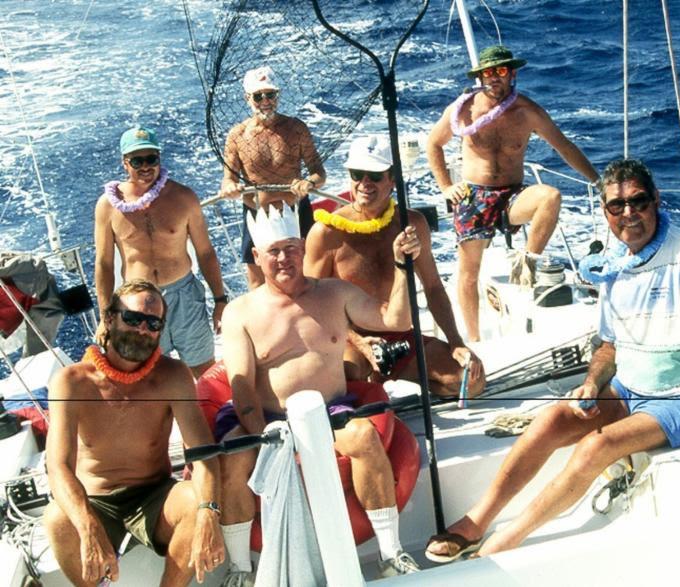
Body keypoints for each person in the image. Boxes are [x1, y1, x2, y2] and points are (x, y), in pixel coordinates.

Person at [424, 158, 680, 561]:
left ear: (655, 200)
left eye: (638, 201)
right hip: (629, 387)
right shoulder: (615, 263)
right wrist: (592, 381)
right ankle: (476, 522)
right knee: (551, 419)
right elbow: (608, 347)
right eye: (616, 206)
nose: (628, 214)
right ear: (604, 212)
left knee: (594, 447)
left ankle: (505, 542)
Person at [217, 204, 422, 581]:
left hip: (331, 412)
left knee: (364, 436)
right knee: (232, 459)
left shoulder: (336, 293)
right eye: (274, 250)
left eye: (291, 248)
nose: (284, 258)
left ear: (302, 248)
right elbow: (242, 384)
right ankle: (240, 568)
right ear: (257, 256)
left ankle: (391, 552)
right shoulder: (240, 312)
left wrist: (402, 267)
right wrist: (260, 432)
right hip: (268, 420)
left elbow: (397, 320)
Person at [43, 279, 225, 586]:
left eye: (153, 323)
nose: (143, 329)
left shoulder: (173, 375)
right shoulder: (71, 382)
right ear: (110, 318)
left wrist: (209, 511)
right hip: (95, 499)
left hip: (154, 496)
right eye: (132, 318)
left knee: (196, 500)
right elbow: (57, 466)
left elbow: (204, 453)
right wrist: (87, 525)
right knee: (57, 520)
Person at [427, 45, 600, 341]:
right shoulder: (463, 110)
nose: (495, 77)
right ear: (481, 76)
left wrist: (599, 181)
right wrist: (446, 186)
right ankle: (474, 340)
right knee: (469, 273)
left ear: (513, 73)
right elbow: (434, 144)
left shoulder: (528, 112)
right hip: (473, 196)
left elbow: (565, 147)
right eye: (489, 72)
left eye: (501, 71)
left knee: (550, 196)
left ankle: (528, 260)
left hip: (512, 196)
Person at [304, 135, 485, 397]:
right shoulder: (327, 232)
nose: (365, 183)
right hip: (351, 339)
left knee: (471, 382)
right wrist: (359, 343)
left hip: (402, 337)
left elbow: (433, 287)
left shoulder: (413, 225)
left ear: (392, 179)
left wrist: (456, 342)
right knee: (347, 383)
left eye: (375, 175)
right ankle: (373, 388)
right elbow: (313, 303)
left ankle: (392, 381)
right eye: (357, 174)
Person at [95, 126, 226, 378]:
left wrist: (220, 300)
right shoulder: (107, 206)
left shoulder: (184, 197)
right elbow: (104, 264)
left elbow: (206, 252)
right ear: (125, 163)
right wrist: (105, 317)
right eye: (137, 160)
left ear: (159, 158)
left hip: (184, 295)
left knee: (205, 370)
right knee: (150, 375)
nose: (146, 166)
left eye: (151, 159)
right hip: (136, 305)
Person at [218, 65, 327, 290]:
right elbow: (228, 178)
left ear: (278, 95)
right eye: (258, 96)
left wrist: (309, 182)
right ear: (247, 98)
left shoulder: (297, 128)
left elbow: (319, 172)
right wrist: (230, 187)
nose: (265, 101)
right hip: (258, 215)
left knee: (311, 275)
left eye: (270, 94)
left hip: (296, 211)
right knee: (258, 282)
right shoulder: (236, 135)